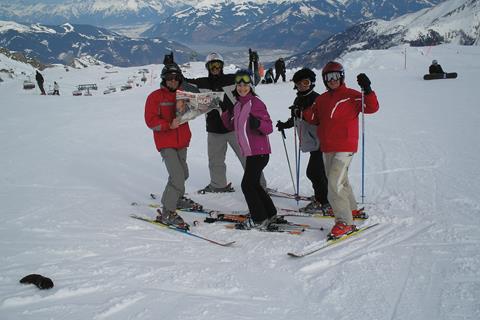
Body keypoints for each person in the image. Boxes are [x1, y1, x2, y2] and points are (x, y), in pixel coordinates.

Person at [302, 61, 379, 239]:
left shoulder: (352, 95)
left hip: (345, 145)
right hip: (328, 146)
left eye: (336, 76)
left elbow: (372, 107)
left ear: (342, 76)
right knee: (339, 180)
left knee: (334, 183)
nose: (332, 80)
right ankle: (352, 209)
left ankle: (345, 222)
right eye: (328, 77)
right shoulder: (321, 99)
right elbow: (313, 117)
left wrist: (367, 90)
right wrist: (302, 110)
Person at [186, 52, 266, 193]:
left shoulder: (232, 79)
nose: (215, 67)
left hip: (235, 128)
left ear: (222, 66)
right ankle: (218, 185)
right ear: (208, 67)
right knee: (215, 162)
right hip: (214, 130)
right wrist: (171, 68)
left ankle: (260, 185)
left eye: (218, 64)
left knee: (249, 159)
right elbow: (183, 84)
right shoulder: (202, 83)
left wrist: (253, 63)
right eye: (212, 65)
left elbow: (251, 80)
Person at [221, 70, 276, 228]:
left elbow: (269, 127)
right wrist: (225, 111)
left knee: (247, 185)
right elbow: (231, 125)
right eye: (239, 85)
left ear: (251, 86)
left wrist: (258, 124)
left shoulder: (256, 103)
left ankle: (259, 219)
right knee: (254, 184)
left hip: (259, 151)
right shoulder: (238, 105)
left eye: (245, 85)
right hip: (251, 152)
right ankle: (270, 213)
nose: (242, 88)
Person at [276, 68, 330, 214]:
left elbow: (320, 119)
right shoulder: (298, 99)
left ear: (312, 83)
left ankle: (324, 201)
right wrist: (285, 124)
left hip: (321, 141)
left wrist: (302, 114)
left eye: (305, 82)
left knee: (314, 172)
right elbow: (296, 118)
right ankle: (325, 196)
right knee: (319, 172)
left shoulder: (317, 99)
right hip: (312, 142)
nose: (302, 86)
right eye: (299, 83)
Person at [144, 63, 191, 229]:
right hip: (166, 143)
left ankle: (176, 198)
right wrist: (167, 125)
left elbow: (191, 112)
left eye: (176, 78)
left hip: (182, 141)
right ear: (164, 79)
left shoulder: (183, 95)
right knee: (177, 176)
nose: (173, 81)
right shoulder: (155, 97)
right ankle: (167, 212)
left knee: (183, 174)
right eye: (169, 78)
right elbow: (151, 121)